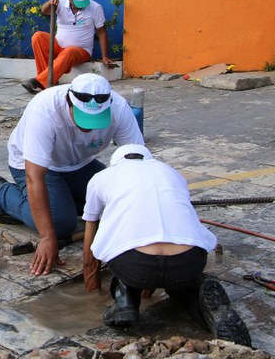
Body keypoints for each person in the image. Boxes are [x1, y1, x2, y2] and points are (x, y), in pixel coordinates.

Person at [82, 144, 252, 346]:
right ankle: (203, 305)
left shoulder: (101, 177)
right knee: (183, 284)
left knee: (118, 244)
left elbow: (90, 233)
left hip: (135, 265)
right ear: (149, 159)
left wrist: (92, 288)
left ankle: (125, 301)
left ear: (115, 163)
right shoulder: (171, 172)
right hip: (188, 260)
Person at [0, 73, 143, 276]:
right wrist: (47, 237)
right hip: (37, 166)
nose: (88, 127)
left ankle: (66, 198)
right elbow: (34, 177)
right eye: (84, 118)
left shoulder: (119, 108)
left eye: (95, 119)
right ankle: (2, 194)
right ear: (68, 103)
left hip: (81, 164)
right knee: (60, 224)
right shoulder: (45, 110)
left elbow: (137, 164)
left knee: (119, 204)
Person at [22, 0, 114, 94]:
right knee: (38, 37)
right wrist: (49, 3)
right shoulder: (60, 3)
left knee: (70, 50)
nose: (81, 6)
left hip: (81, 51)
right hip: (58, 45)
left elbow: (102, 32)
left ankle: (39, 81)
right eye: (78, 3)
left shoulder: (95, 8)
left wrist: (105, 56)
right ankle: (47, 80)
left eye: (83, 2)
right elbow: (44, 11)